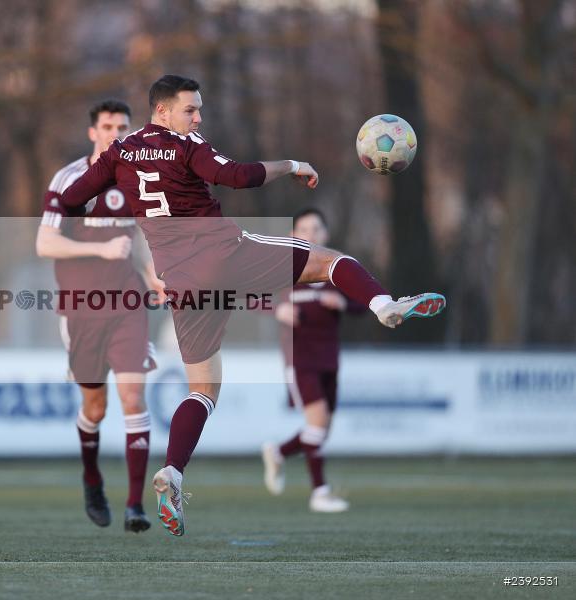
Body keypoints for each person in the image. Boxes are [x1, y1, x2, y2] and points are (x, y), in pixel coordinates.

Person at [58, 75, 446, 536]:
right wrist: (294, 163)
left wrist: (113, 216)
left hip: (180, 283)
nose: (198, 117)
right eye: (190, 109)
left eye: (199, 109)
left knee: (202, 389)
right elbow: (237, 176)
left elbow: (70, 201)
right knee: (332, 261)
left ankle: (174, 472)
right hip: (225, 255)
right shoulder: (186, 144)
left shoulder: (119, 152)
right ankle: (383, 304)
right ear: (162, 111)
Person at [36, 100, 157, 533]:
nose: (115, 133)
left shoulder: (139, 178)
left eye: (123, 127)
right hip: (83, 309)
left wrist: (151, 275)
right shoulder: (70, 180)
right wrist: (99, 249)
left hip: (128, 304)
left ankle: (135, 506)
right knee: (96, 405)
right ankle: (92, 478)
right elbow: (45, 243)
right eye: (108, 126)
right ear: (93, 133)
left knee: (133, 399)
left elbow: (139, 235)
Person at [262, 208, 364, 513]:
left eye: (317, 229)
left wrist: (344, 303)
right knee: (317, 422)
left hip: (329, 359)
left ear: (326, 235)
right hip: (299, 358)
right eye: (304, 230)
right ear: (293, 237)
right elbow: (250, 296)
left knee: (322, 428)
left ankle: (278, 453)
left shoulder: (338, 273)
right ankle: (320, 493)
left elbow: (364, 304)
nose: (311, 234)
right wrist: (276, 310)